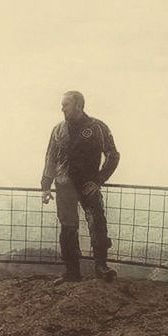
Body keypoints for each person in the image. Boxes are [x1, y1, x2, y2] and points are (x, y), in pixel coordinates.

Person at [41, 91, 120, 283]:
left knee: (97, 224)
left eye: (66, 104)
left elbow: (113, 155)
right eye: (62, 104)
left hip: (88, 186)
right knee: (67, 228)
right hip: (64, 186)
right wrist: (45, 186)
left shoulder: (97, 127)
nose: (62, 108)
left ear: (79, 106)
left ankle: (101, 268)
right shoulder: (58, 129)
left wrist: (99, 180)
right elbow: (50, 158)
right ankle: (72, 272)